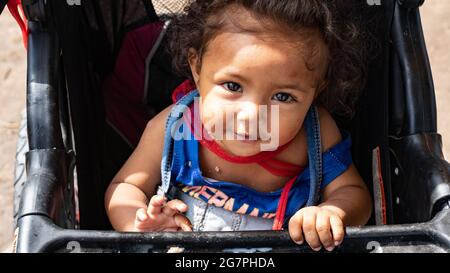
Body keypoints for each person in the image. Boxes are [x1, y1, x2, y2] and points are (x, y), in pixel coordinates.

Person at [105, 0, 372, 252]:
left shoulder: (314, 133)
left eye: (283, 97)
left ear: (315, 93)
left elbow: (354, 194)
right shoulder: (178, 127)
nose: (251, 115)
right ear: (196, 68)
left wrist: (332, 212)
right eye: (233, 86)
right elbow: (125, 188)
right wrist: (138, 225)